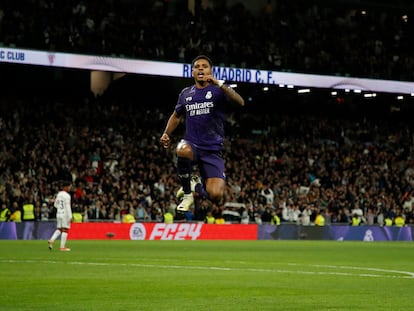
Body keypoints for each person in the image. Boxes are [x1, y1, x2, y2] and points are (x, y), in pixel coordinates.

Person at [160, 55, 245, 213]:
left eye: (204, 66)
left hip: (212, 150)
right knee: (182, 149)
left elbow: (240, 102)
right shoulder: (186, 93)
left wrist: (219, 83)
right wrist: (166, 133)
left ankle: (195, 185)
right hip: (192, 144)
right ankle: (187, 195)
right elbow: (176, 115)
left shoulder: (218, 91)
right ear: (193, 72)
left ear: (210, 71)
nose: (200, 68)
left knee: (215, 195)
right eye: (197, 66)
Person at [48, 180, 73, 251]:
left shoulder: (58, 194)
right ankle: (62, 247)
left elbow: (55, 205)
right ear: (65, 187)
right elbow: (68, 206)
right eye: (69, 187)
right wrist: (70, 216)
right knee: (65, 230)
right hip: (65, 214)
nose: (69, 188)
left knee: (59, 229)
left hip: (58, 214)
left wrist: (60, 208)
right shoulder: (67, 196)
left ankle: (51, 240)